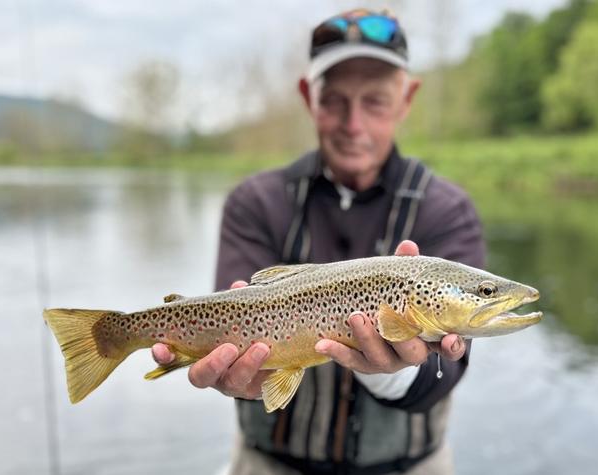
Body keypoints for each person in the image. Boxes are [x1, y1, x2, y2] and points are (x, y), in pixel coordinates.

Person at [153, 8, 485, 475]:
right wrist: (232, 368)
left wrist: (391, 371)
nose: (354, 124)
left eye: (375, 102)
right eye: (335, 101)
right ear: (309, 97)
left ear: (407, 99)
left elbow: (448, 368)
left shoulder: (447, 211)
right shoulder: (256, 202)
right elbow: (226, 318)